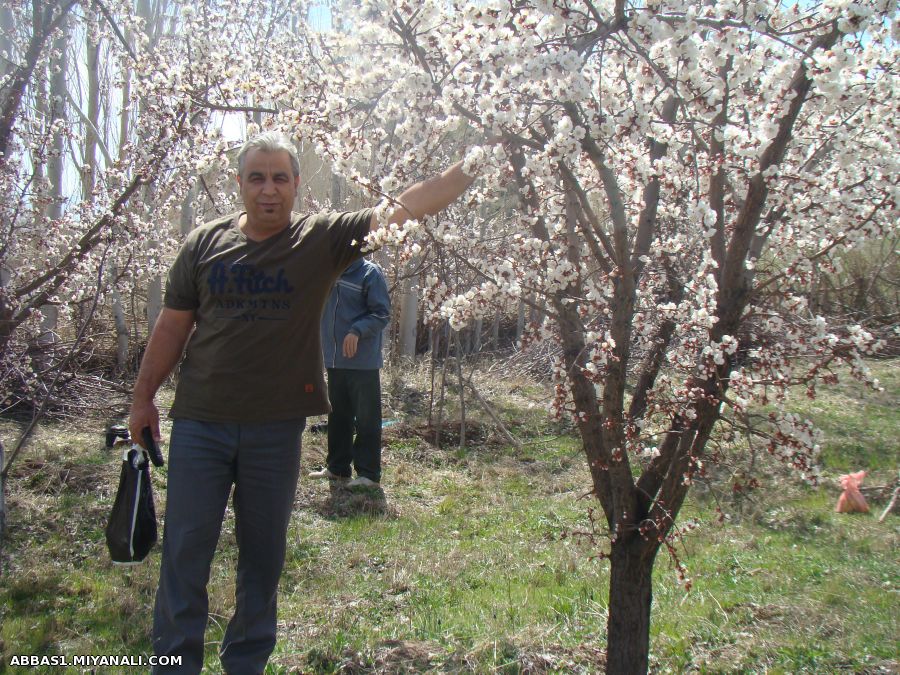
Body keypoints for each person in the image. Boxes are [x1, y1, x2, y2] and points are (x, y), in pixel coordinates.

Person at [128, 130, 477, 674]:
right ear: (239, 184)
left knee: (262, 560)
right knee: (185, 554)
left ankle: (246, 663)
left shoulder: (321, 240)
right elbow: (172, 328)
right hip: (201, 424)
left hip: (276, 429)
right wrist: (142, 399)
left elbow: (402, 208)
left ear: (297, 184)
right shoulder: (203, 244)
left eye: (281, 178)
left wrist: (473, 164)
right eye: (257, 177)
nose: (269, 190)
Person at [311, 256, 390, 488]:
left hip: (362, 361)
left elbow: (382, 314)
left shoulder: (369, 273)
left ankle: (368, 474)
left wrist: (357, 330)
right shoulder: (328, 271)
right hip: (334, 359)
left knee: (366, 419)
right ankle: (338, 469)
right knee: (338, 416)